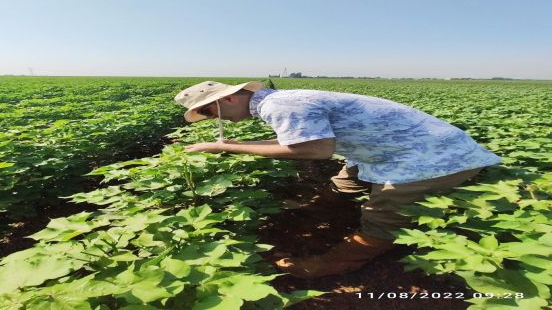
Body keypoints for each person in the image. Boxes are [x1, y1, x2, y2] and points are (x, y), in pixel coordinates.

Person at [174, 80, 501, 278]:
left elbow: (315, 151)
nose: (210, 118)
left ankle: (329, 265)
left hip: (427, 159)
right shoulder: (276, 102)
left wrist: (229, 148)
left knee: (382, 216)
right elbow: (301, 142)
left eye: (207, 112)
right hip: (384, 150)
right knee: (345, 181)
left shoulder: (280, 105)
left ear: (227, 99)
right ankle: (311, 214)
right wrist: (227, 145)